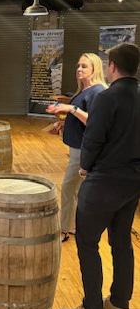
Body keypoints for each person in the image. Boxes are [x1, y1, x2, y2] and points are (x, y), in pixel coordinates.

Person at [57, 43, 140, 309]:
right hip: (132, 182)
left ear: (112, 66)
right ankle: (119, 304)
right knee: (121, 242)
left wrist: (85, 166)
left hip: (103, 180)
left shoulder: (107, 97)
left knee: (87, 242)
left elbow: (93, 138)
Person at [46, 53, 107, 242]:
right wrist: (63, 124)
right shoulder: (83, 91)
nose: (79, 69)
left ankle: (64, 228)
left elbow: (94, 122)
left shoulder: (97, 92)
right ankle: (73, 226)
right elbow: (80, 118)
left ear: (95, 69)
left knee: (68, 188)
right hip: (77, 148)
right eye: (78, 66)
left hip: (84, 150)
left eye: (84, 66)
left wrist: (71, 109)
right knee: (77, 190)